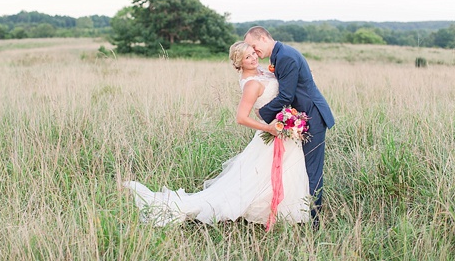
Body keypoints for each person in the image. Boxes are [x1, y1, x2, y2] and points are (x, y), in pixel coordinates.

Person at [123, 41, 310, 229]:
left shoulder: (261, 72)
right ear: (239, 63)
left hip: (284, 129)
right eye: (247, 57)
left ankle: (283, 212)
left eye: (253, 53)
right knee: (258, 177)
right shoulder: (251, 84)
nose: (253, 58)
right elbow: (241, 118)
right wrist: (268, 128)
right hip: (272, 132)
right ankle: (273, 213)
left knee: (278, 173)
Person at [244, 26, 335, 228]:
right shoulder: (279, 55)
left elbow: (287, 96)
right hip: (302, 115)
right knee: (302, 168)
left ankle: (314, 222)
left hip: (313, 116)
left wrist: (263, 113)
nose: (253, 51)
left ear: (263, 37)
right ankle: (299, 214)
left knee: (312, 170)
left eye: (254, 45)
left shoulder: (284, 56)